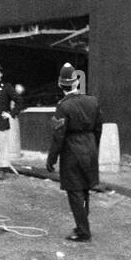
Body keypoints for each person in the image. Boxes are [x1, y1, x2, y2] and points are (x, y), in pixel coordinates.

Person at [45, 63, 102, 242]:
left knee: (75, 192)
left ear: (61, 86)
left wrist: (51, 158)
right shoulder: (92, 101)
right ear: (76, 83)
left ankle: (83, 230)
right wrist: (94, 146)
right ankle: (82, 224)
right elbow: (99, 128)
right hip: (90, 147)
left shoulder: (63, 106)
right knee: (85, 189)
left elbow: (58, 135)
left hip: (72, 151)